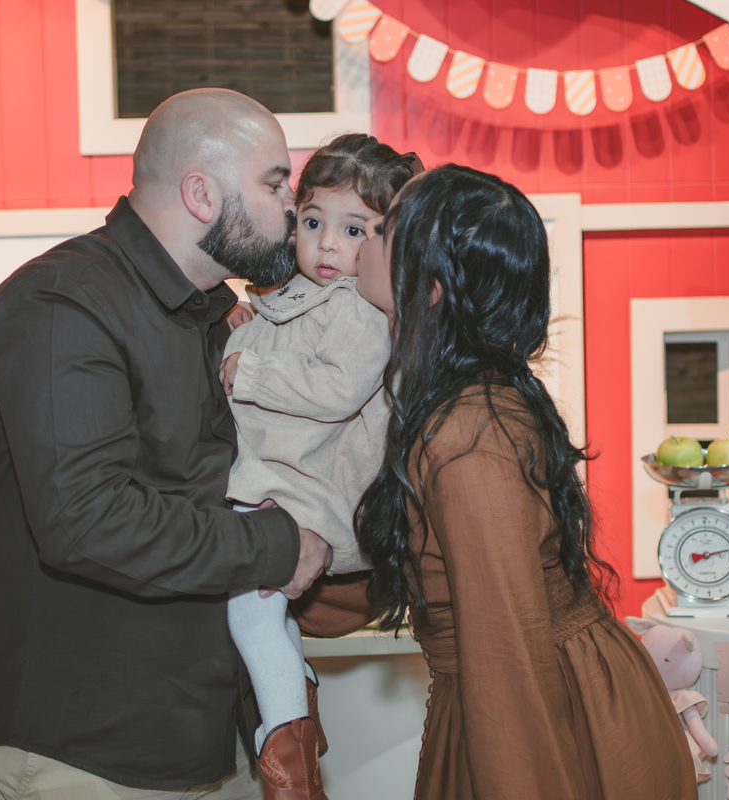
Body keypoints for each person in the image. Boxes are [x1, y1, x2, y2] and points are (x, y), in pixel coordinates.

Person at [0, 88, 334, 798]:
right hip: (75, 752)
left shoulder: (213, 320)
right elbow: (87, 520)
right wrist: (281, 546)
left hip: (177, 743)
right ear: (200, 193)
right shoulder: (64, 304)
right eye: (275, 182)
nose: (290, 207)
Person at [293, 165, 698, 799]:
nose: (363, 240)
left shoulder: (466, 438)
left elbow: (506, 654)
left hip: (550, 722)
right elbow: (415, 573)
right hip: (541, 697)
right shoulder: (455, 405)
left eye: (384, 229)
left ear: (427, 287)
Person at [218, 134, 420, 798]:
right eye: (313, 223)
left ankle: (290, 770)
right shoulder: (295, 299)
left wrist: (247, 366)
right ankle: (293, 720)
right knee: (252, 618)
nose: (328, 245)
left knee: (251, 611)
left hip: (310, 500)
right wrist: (247, 325)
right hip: (276, 488)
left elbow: (333, 392)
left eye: (355, 229)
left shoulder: (363, 313)